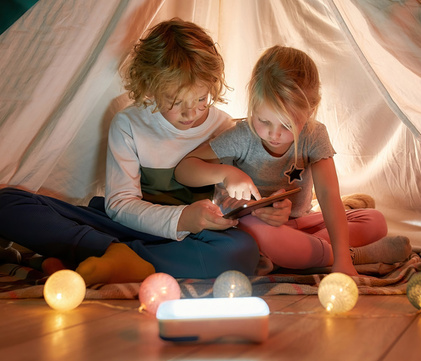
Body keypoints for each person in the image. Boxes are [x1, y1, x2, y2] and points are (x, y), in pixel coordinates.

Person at [0, 20, 260, 284]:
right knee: (7, 203)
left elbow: (235, 204)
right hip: (129, 226)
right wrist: (181, 218)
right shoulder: (129, 124)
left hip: (195, 236)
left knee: (241, 252)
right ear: (150, 88)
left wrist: (262, 209)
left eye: (201, 99)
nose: (190, 113)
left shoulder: (225, 128)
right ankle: (116, 255)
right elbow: (120, 205)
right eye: (175, 101)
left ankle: (109, 259)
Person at [175, 45, 411, 275]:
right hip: (252, 226)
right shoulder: (241, 136)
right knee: (264, 236)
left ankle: (298, 253)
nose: (274, 134)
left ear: (310, 111)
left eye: (287, 125)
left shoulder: (314, 135)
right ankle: (356, 256)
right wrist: (228, 174)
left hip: (300, 222)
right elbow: (184, 169)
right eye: (264, 121)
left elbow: (328, 195)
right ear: (253, 106)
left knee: (375, 220)